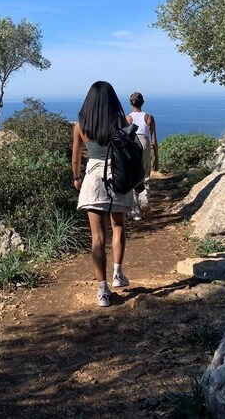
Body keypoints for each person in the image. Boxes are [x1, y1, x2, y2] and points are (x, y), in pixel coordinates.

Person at [72, 81, 133, 307]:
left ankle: (103, 291)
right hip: (117, 178)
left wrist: (77, 178)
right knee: (118, 226)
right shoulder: (122, 122)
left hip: (93, 178)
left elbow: (76, 157)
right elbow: (129, 153)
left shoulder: (80, 126)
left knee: (97, 237)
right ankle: (118, 274)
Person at [126, 91, 159, 220]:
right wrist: (156, 158)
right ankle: (144, 201)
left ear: (131, 103)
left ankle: (135, 212)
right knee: (145, 176)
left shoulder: (128, 118)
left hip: (132, 145)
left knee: (133, 177)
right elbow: (154, 141)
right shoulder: (149, 117)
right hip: (145, 144)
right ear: (142, 102)